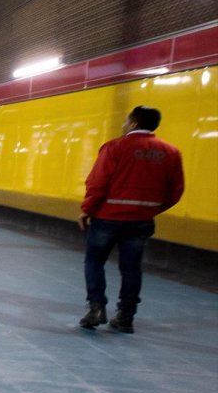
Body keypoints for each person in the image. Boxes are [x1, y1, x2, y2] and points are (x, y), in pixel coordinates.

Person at [78, 106, 184, 333]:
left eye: (126, 121)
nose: (123, 125)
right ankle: (126, 316)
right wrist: (151, 209)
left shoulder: (115, 147)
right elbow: (176, 190)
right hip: (141, 220)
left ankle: (96, 308)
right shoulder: (171, 152)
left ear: (134, 123)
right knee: (131, 268)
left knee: (94, 261)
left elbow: (97, 182)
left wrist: (87, 209)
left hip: (107, 217)